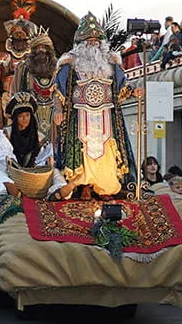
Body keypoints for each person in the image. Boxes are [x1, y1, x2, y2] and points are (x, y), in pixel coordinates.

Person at [53, 14, 135, 199]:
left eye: (96, 40)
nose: (93, 44)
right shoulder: (70, 63)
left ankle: (104, 187)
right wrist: (58, 110)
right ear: (80, 42)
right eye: (88, 40)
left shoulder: (111, 62)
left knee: (106, 151)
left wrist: (134, 91)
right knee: (82, 152)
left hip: (106, 115)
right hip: (80, 116)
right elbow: (57, 89)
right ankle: (84, 185)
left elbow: (123, 84)